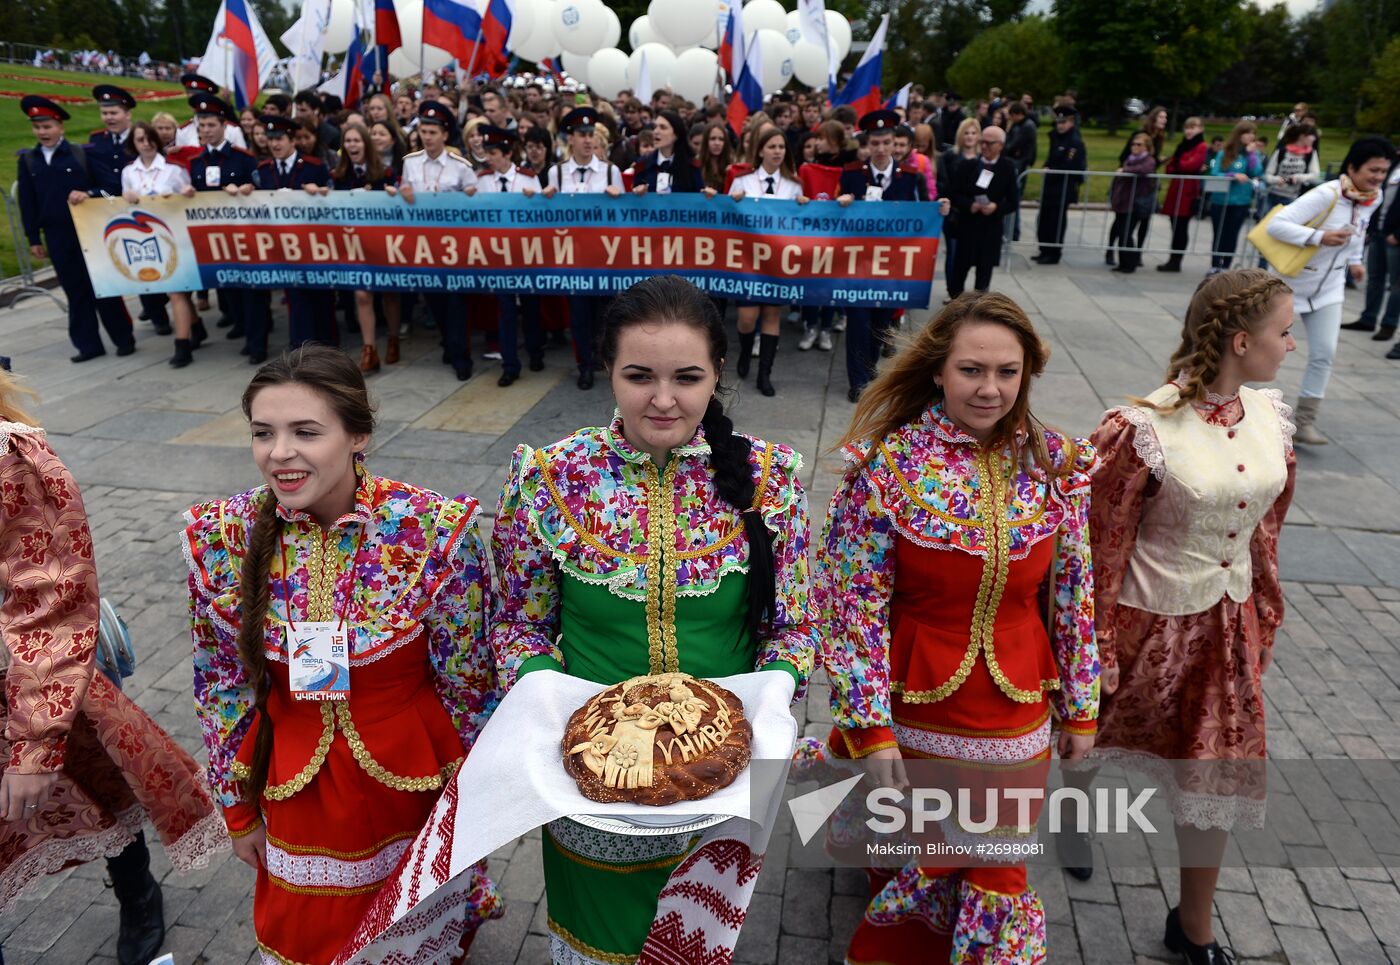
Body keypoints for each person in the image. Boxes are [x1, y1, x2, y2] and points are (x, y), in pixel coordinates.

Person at [491, 274, 817, 965]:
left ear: (719, 374)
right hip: (589, 780)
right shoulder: (552, 477)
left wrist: (775, 695)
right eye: (638, 375)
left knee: (697, 945)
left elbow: (793, 626)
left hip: (729, 775)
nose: (662, 399)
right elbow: (516, 624)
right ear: (606, 368)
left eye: (687, 376)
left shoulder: (770, 478)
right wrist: (554, 702)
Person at [185, 346, 503, 965]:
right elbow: (221, 683)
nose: (280, 452)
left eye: (306, 432)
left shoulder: (431, 530)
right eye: (263, 433)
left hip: (414, 780)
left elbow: (470, 682)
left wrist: (478, 805)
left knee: (415, 931)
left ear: (358, 435)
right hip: (295, 789)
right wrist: (236, 806)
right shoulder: (223, 537)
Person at [819, 290, 1098, 965]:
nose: (991, 388)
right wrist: (867, 723)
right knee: (911, 863)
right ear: (940, 370)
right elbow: (850, 600)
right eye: (972, 369)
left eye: (1008, 371)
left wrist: (1082, 709)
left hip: (1018, 715)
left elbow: (1075, 589)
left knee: (999, 870)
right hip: (912, 711)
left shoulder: (1056, 463)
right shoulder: (888, 467)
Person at [1086, 269, 1297, 963]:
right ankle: (1074, 812)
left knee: (1215, 774)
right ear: (1242, 340)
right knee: (1084, 737)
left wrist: (1265, 605)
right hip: (1148, 621)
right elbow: (1101, 541)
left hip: (1226, 626)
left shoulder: (1271, 415)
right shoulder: (1144, 428)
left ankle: (1193, 924)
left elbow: (1267, 525)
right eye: (1283, 331)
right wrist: (1096, 642)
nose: (1292, 344)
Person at [0, 371, 226, 965]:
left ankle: (137, 891)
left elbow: (52, 600)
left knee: (101, 779)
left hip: (39, 667)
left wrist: (32, 745)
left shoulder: (7, 456)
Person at [1266, 138, 1396, 443]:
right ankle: (1241, 409)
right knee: (1266, 349)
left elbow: (1358, 229)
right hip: (1290, 285)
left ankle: (1305, 420)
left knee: (1325, 353)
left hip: (1330, 289)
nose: (1379, 177)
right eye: (1373, 169)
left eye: (1384, 171)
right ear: (1352, 167)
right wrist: (1318, 236)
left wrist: (1354, 260)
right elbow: (1276, 225)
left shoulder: (1372, 197)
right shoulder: (1326, 194)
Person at [16, 95, 136, 364]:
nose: (42, 132)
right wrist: (33, 237)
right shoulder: (29, 161)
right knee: (74, 290)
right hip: (57, 235)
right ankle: (87, 344)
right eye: (38, 127)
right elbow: (28, 203)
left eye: (47, 127)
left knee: (102, 287)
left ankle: (123, 337)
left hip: (88, 232)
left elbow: (111, 189)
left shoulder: (82, 154)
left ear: (60, 127)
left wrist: (89, 192)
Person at [836, 111, 938, 403]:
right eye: (876, 142)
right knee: (857, 321)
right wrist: (841, 202)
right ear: (868, 144)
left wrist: (937, 210)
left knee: (880, 324)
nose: (881, 148)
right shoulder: (853, 174)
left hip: (891, 266)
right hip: (857, 264)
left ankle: (869, 371)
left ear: (896, 143)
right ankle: (857, 381)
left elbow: (921, 215)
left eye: (887, 142)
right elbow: (832, 213)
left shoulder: (909, 177)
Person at [542, 107, 623, 390]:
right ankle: (584, 365)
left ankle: (605, 361)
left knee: (605, 313)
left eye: (591, 135)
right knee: (578, 314)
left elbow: (622, 218)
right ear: (570, 139)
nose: (587, 140)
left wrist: (618, 198)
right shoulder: (557, 173)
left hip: (603, 256)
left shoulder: (611, 171)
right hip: (573, 256)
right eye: (581, 135)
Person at [398, 100, 478, 382]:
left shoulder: (460, 166)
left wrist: (469, 195)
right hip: (425, 245)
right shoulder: (410, 163)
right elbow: (404, 196)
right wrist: (402, 193)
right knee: (435, 301)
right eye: (423, 131)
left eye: (433, 132)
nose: (427, 137)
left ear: (444, 135)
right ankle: (447, 341)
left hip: (453, 246)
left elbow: (474, 198)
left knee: (456, 302)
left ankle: (461, 356)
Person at [729, 125, 810, 395]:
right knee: (747, 317)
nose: (777, 152)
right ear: (761, 149)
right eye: (772, 146)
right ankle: (743, 352)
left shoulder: (794, 184)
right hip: (749, 260)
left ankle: (765, 373)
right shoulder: (743, 180)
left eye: (781, 147)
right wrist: (733, 201)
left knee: (772, 314)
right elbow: (728, 217)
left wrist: (804, 205)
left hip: (778, 261)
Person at [120, 121, 207, 368]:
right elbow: (124, 204)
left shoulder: (173, 169)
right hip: (147, 238)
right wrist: (126, 198)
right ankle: (196, 327)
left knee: (177, 290)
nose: (146, 144)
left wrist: (187, 192)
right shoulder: (129, 172)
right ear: (133, 144)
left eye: (149, 139)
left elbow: (189, 197)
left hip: (174, 235)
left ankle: (182, 346)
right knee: (175, 289)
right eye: (140, 140)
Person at [185, 93, 262, 360]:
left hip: (244, 235)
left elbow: (261, 191)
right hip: (215, 239)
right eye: (202, 126)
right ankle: (239, 324)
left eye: (211, 125)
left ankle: (256, 342)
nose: (206, 131)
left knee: (250, 291)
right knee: (228, 288)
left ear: (223, 126)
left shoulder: (242, 159)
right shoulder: (196, 162)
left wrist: (247, 189)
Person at [327, 121, 402, 373]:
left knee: (389, 293)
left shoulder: (385, 173)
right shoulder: (338, 176)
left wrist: (393, 195)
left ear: (365, 144)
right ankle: (369, 349)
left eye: (356, 140)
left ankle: (393, 338)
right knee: (362, 294)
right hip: (354, 246)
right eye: (347, 141)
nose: (352, 145)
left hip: (382, 244)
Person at [473, 125, 545, 386]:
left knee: (530, 305)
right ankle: (510, 364)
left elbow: (540, 214)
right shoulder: (482, 179)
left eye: (493, 152)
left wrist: (533, 199)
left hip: (525, 252)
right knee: (504, 309)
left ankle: (535, 352)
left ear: (506, 153)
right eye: (488, 152)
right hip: (498, 255)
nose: (489, 157)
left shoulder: (527, 177)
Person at [255, 116, 334, 352]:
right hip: (283, 245)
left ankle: (327, 344)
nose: (275, 145)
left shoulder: (314, 167)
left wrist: (321, 193)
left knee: (321, 296)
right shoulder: (263, 170)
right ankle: (301, 346)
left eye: (279, 139)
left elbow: (333, 200)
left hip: (313, 244)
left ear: (292, 141)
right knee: (295, 296)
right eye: (270, 140)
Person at [947, 124, 1016, 300]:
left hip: (990, 229)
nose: (984, 146)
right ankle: (956, 302)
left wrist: (996, 208)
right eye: (982, 142)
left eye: (989, 143)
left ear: (1000, 145)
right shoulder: (967, 165)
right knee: (959, 270)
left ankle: (978, 309)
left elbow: (1013, 201)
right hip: (967, 227)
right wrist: (970, 205)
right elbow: (954, 193)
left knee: (984, 274)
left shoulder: (1007, 168)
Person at [1343, 159, 1400, 341]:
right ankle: (1368, 319)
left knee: (1396, 284)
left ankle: (1388, 325)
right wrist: (1372, 228)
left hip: (1395, 238)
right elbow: (1377, 197)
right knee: (1375, 278)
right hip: (1378, 232)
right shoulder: (1392, 166)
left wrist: (1398, 234)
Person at [1033, 105, 1087, 265]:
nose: (1060, 125)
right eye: (1058, 122)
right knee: (1044, 219)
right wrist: (1046, 166)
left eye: (1063, 122)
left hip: (1063, 187)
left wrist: (1052, 170)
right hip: (1051, 186)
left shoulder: (1074, 141)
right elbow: (1051, 158)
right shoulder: (1056, 137)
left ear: (1071, 122)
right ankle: (1044, 249)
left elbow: (1069, 165)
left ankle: (1053, 252)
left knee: (1056, 221)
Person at [1157, 117, 1210, 273]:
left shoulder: (1201, 146)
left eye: (1193, 127)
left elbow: (1191, 165)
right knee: (1174, 224)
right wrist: (1181, 164)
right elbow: (1170, 168)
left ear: (1200, 129)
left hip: (1188, 190)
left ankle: (1176, 260)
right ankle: (1173, 258)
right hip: (1177, 188)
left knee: (1181, 226)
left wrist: (1180, 164)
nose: (1189, 130)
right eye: (1187, 127)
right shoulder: (1182, 146)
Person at [937, 118, 981, 297]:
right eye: (966, 133)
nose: (970, 137)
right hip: (955, 215)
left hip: (977, 215)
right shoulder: (950, 156)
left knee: (974, 256)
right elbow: (944, 183)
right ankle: (953, 292)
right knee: (954, 254)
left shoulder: (982, 158)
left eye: (973, 133)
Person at [1109, 132, 1159, 274]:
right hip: (1123, 201)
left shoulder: (1148, 160)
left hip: (1135, 203)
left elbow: (1144, 170)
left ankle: (1130, 263)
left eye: (1139, 144)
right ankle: (1123, 262)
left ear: (1146, 147)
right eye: (1133, 144)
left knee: (1127, 233)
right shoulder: (1130, 158)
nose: (1134, 146)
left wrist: (1125, 170)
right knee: (1121, 233)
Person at [631, 109, 703, 195]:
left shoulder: (692, 166)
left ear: (676, 134)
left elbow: (699, 199)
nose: (656, 132)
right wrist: (637, 192)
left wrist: (709, 195)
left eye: (663, 127)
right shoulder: (642, 164)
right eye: (655, 127)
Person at [175, 74, 247, 150]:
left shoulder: (232, 130)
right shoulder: (183, 131)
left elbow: (243, 159)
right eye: (190, 96)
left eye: (199, 96)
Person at [1003, 101, 1037, 241]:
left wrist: (1007, 149)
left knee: (1013, 197)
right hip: (1017, 161)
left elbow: (1015, 144)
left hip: (1019, 163)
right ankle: (1011, 230)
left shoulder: (1026, 127)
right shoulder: (1020, 125)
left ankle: (1013, 231)